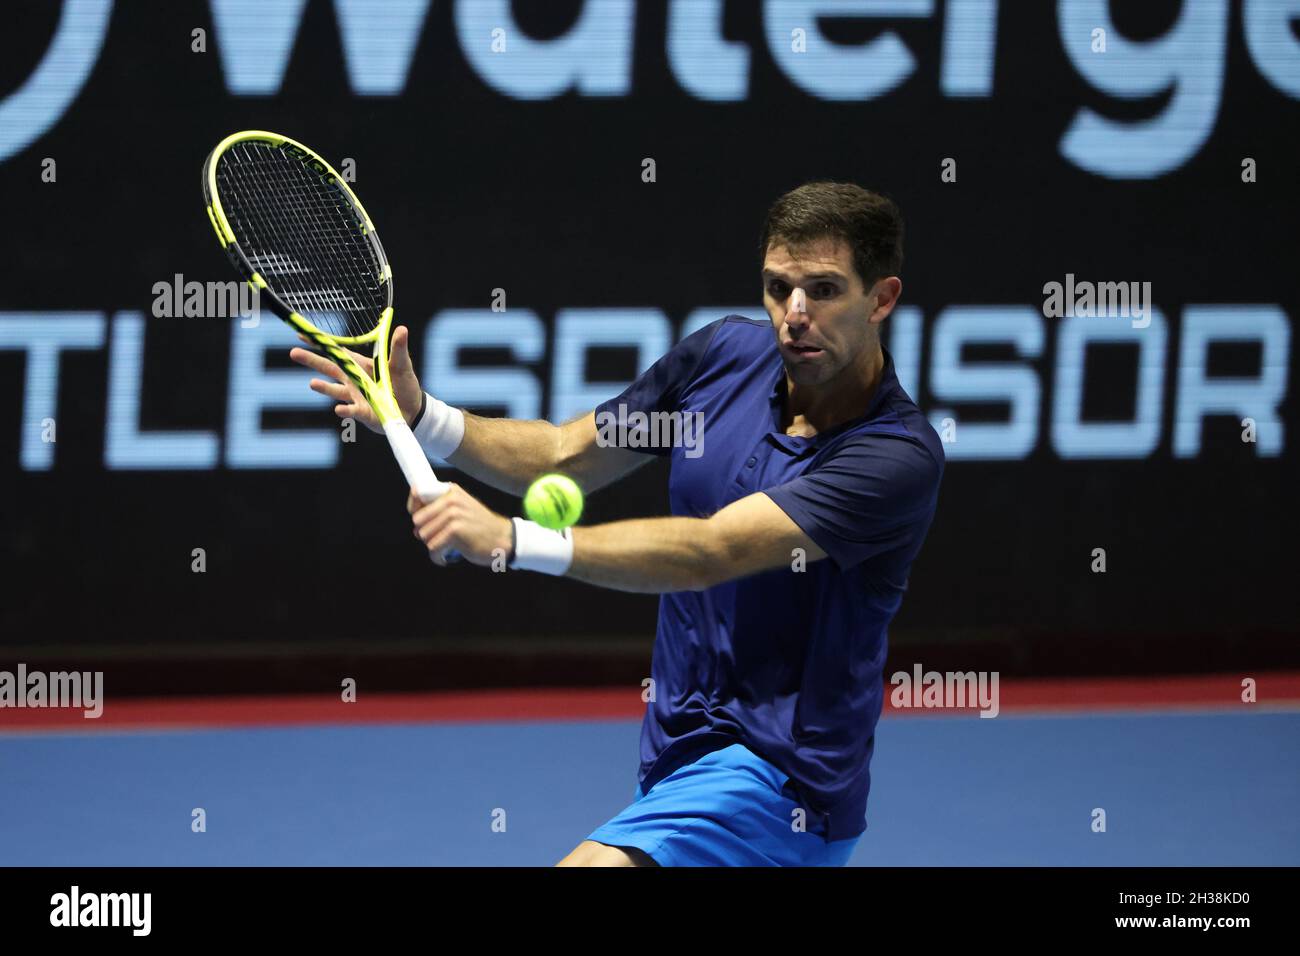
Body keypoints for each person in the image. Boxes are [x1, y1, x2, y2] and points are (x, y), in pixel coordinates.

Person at [291, 181, 944, 866]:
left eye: (824, 290)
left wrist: (514, 539)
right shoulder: (723, 357)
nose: (795, 315)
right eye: (779, 288)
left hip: (782, 783)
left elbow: (711, 551)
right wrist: (424, 415)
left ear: (882, 298)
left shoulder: (895, 457)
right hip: (676, 757)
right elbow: (562, 454)